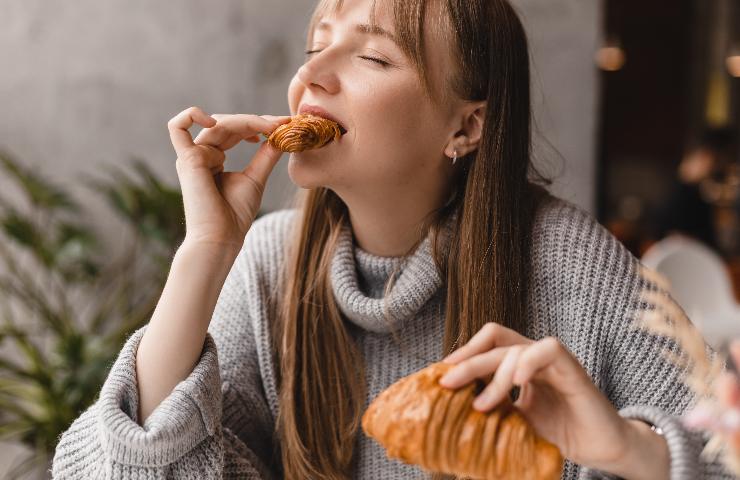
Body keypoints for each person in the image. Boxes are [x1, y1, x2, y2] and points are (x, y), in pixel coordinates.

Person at [51, 0, 733, 478]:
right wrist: (204, 253)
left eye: (373, 56)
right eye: (317, 44)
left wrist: (629, 450)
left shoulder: (572, 266)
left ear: (465, 128)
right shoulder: (270, 260)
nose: (310, 75)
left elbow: (724, 452)